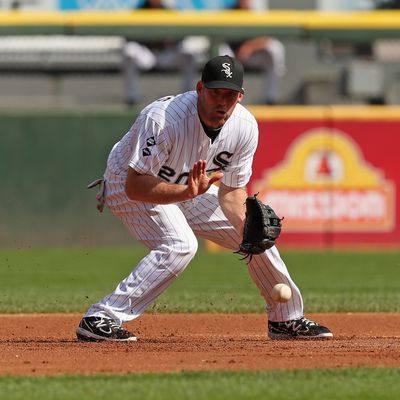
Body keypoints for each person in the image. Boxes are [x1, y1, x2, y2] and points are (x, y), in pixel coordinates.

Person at [76, 55, 333, 342]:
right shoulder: (162, 119)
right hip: (129, 184)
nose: (221, 102)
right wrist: (185, 192)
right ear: (199, 89)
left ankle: (285, 319)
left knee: (254, 230)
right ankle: (102, 317)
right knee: (180, 244)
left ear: (241, 96)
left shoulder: (245, 127)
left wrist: (246, 228)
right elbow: (135, 186)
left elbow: (233, 194)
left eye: (230, 95)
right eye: (214, 93)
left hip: (189, 188)